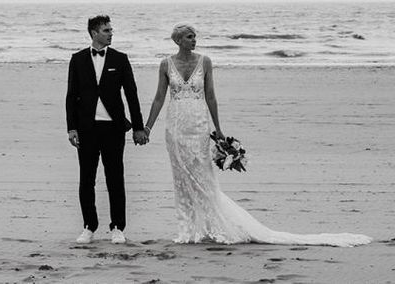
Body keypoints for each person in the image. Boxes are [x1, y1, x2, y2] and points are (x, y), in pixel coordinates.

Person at [143, 23, 371, 247]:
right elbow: (159, 98)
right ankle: (189, 230)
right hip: (175, 127)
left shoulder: (205, 62)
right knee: (182, 178)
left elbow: (211, 96)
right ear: (178, 40)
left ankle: (215, 225)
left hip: (198, 123)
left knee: (203, 176)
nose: (194, 40)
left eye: (195, 36)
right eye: (190, 37)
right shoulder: (166, 64)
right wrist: (148, 127)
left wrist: (218, 129)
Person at [65, 15, 148, 245]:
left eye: (111, 30)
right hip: (86, 129)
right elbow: (71, 96)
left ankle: (117, 227)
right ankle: (89, 226)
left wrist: (138, 127)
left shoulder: (120, 59)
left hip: (113, 129)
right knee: (86, 179)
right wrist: (71, 127)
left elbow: (131, 95)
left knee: (115, 179)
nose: (111, 33)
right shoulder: (78, 59)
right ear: (94, 33)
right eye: (106, 30)